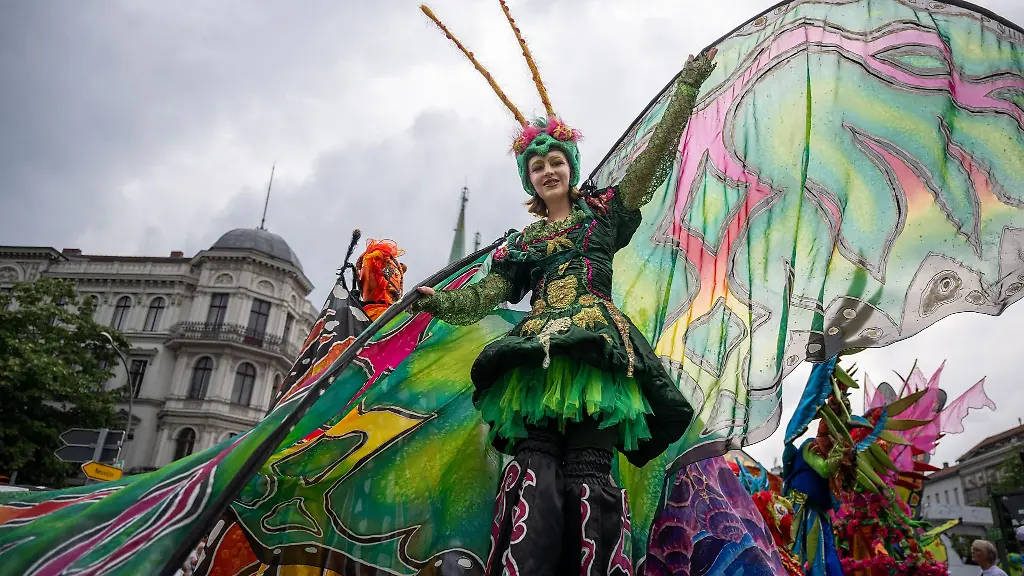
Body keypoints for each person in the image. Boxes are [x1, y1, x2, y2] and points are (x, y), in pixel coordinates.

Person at [414, 2, 716, 573]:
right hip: (535, 359)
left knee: (588, 470)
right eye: (537, 167)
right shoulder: (523, 243)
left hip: (596, 354)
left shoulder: (603, 216)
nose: (548, 171)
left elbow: (652, 158)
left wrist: (686, 88)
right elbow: (486, 293)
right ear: (529, 180)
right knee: (533, 464)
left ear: (571, 167)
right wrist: (441, 303)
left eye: (556, 161)